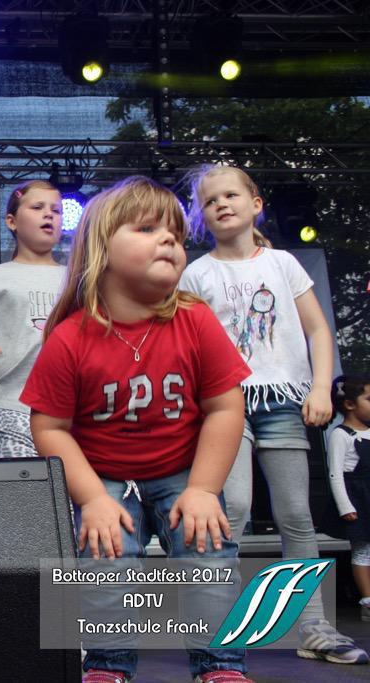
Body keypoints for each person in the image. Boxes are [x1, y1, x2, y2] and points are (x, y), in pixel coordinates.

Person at [22, 176, 252, 682]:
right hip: (103, 473)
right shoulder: (69, 338)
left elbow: (224, 407)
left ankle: (220, 666)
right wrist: (92, 499)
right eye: (147, 229)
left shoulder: (195, 319)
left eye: (175, 233)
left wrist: (203, 489)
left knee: (208, 550)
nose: (169, 239)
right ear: (100, 249)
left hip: (181, 469)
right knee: (104, 553)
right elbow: (51, 427)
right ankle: (108, 665)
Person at [181, 163, 366, 664]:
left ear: (256, 204)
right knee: (233, 509)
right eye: (210, 201)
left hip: (283, 400)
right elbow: (190, 343)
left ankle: (313, 627)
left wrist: (322, 388)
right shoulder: (197, 273)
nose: (221, 204)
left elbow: (318, 330)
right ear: (201, 217)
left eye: (231, 195)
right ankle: (218, 626)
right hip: (227, 404)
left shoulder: (283, 263)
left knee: (296, 515)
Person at [0, 179, 65, 457]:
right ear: (11, 221)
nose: (48, 214)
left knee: (69, 484)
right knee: (25, 485)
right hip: (9, 406)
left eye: (56, 210)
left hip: (68, 411)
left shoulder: (77, 278)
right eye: (37, 207)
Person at [326, 376, 370, 620]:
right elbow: (335, 473)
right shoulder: (341, 435)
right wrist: (345, 506)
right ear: (350, 404)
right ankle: (367, 600)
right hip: (359, 499)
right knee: (363, 550)